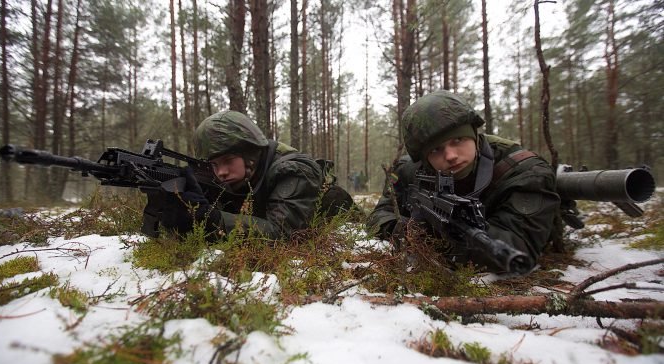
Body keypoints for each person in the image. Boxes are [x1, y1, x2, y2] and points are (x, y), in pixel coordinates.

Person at [367, 90, 560, 273]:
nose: (450, 156)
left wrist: (442, 239)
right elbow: (380, 214)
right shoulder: (406, 170)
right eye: (436, 150)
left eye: (458, 140)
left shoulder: (524, 171)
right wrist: (405, 231)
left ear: (475, 135)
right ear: (425, 159)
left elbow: (519, 248)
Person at [160, 110, 353, 241]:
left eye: (228, 160)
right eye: (214, 164)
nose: (221, 172)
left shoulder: (293, 171)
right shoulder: (240, 177)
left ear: (250, 153)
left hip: (350, 229)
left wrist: (212, 218)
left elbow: (282, 235)